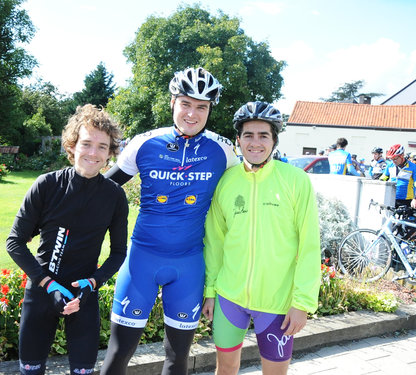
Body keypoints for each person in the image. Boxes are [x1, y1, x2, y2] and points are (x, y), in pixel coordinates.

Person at [100, 67, 240, 375]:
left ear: (209, 110)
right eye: (186, 104)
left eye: (201, 107)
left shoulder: (224, 150)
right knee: (119, 352)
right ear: (172, 103)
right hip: (142, 260)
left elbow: (246, 197)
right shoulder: (144, 143)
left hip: (189, 264)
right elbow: (101, 190)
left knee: (177, 358)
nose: (192, 113)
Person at [6, 104, 129, 375]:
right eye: (86, 144)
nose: (93, 153)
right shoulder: (47, 185)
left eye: (102, 147)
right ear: (72, 146)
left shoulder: (114, 196)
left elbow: (119, 252)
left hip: (84, 295)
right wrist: (48, 284)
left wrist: (94, 282)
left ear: (110, 153)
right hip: (41, 293)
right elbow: (15, 242)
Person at [202, 101, 321, 375]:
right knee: (226, 369)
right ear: (238, 140)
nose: (255, 143)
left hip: (277, 302)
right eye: (248, 135)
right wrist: (210, 292)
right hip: (229, 298)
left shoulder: (296, 180)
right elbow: (215, 243)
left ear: (274, 140)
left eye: (263, 135)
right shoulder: (226, 181)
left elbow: (309, 246)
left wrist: (302, 303)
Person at [380, 144, 416, 208]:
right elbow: (384, 177)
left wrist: (415, 199)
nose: (393, 161)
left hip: (406, 201)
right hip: (390, 198)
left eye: (395, 159)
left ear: (402, 156)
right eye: (391, 159)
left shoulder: (413, 167)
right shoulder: (390, 165)